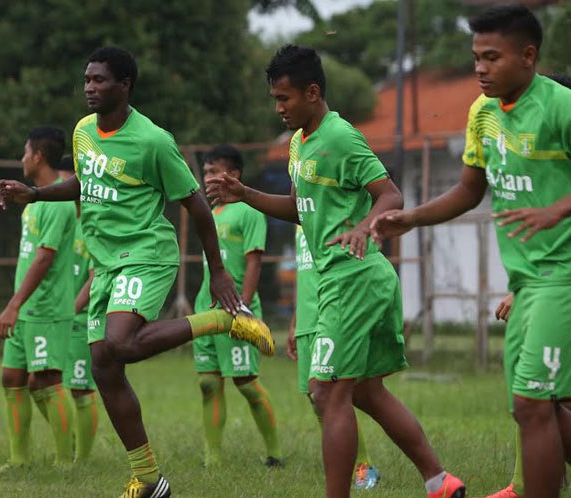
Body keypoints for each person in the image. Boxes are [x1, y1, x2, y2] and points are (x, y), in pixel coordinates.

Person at [370, 6, 571, 497]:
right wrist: (411, 217)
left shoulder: (563, 106)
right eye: (476, 57)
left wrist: (557, 210)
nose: (480, 68)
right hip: (528, 283)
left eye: (492, 57)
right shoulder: (483, 113)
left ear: (528, 56)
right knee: (533, 407)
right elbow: (470, 191)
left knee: (536, 403)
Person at [0, 46, 273, 498]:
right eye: (87, 79)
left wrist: (218, 273)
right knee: (104, 367)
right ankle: (148, 479)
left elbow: (197, 204)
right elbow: (86, 182)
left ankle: (222, 320)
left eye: (100, 80)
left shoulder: (153, 141)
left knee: (119, 344)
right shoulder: (83, 131)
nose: (89, 87)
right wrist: (36, 193)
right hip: (106, 264)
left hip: (146, 254)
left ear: (125, 86)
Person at [206, 45, 465, 498]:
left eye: (284, 98)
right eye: (274, 99)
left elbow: (391, 195)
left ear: (312, 92)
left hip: (355, 278)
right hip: (340, 280)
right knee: (366, 392)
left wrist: (367, 226)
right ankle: (439, 481)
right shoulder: (298, 144)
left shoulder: (341, 136)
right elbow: (299, 209)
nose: (279, 108)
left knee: (325, 393)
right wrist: (243, 192)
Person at [478, 71, 571, 498]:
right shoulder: (549, 165)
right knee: (538, 398)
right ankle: (524, 486)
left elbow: (564, 241)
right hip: (550, 290)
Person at [192, 145, 282, 468]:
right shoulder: (206, 212)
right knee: (207, 383)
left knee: (246, 384)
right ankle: (212, 459)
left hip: (236, 309)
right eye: (206, 173)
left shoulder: (249, 210)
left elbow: (254, 262)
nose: (209, 179)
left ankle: (275, 454)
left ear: (234, 175)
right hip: (206, 307)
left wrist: (243, 308)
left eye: (215, 172)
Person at [0, 127, 76, 468]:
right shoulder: (36, 200)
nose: (22, 158)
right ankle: (18, 461)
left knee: (46, 381)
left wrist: (13, 304)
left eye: (25, 152)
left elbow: (45, 258)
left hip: (45, 308)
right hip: (26, 309)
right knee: (12, 378)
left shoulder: (57, 203)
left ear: (38, 156)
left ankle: (65, 462)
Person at [286, 225, 380, 489]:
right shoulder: (299, 215)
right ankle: (340, 461)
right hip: (307, 317)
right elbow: (304, 273)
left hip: (332, 311)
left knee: (332, 392)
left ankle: (363, 464)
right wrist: (295, 322)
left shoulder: (330, 210)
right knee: (315, 395)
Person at [57, 154, 101, 462]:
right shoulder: (65, 222)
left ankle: (82, 459)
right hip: (59, 318)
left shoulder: (92, 222)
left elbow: (96, 275)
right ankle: (68, 445)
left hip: (83, 319)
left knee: (81, 389)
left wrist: (72, 308)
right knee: (50, 385)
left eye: (67, 183)